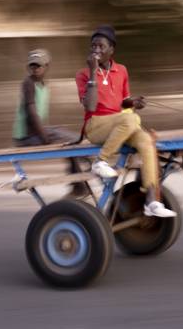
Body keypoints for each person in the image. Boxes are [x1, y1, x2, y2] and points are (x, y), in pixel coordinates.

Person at [75, 25, 176, 218]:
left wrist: (133, 102)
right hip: (96, 125)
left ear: (111, 50)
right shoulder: (83, 74)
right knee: (130, 118)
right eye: (93, 46)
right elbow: (89, 106)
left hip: (120, 124)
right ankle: (101, 161)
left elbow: (123, 103)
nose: (96, 49)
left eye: (101, 46)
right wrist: (93, 73)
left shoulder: (121, 70)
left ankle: (152, 201)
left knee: (146, 140)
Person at [12, 49, 77, 147]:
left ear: (46, 66)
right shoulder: (28, 83)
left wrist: (46, 131)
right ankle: (85, 157)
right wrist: (44, 136)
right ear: (28, 67)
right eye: (32, 66)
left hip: (34, 133)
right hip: (25, 137)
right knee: (68, 137)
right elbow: (32, 114)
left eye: (38, 65)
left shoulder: (43, 85)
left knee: (64, 133)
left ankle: (77, 160)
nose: (35, 69)